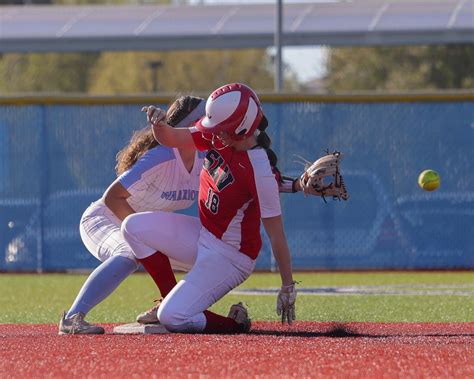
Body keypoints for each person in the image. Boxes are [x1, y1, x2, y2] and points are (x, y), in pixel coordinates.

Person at [122, 83, 297, 334]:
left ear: (242, 127)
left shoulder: (259, 169)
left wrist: (287, 285)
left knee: (172, 317)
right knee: (132, 226)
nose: (216, 134)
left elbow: (277, 235)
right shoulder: (220, 132)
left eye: (222, 129)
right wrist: (158, 124)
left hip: (230, 257)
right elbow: (171, 138)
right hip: (204, 235)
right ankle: (170, 296)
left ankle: (235, 325)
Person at [58, 95, 207, 335]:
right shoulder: (163, 156)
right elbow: (112, 197)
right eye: (204, 120)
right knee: (128, 253)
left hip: (142, 228)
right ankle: (72, 318)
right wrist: (140, 236)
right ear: (186, 127)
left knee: (209, 252)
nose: (209, 127)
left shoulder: (204, 160)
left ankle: (166, 307)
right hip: (104, 219)